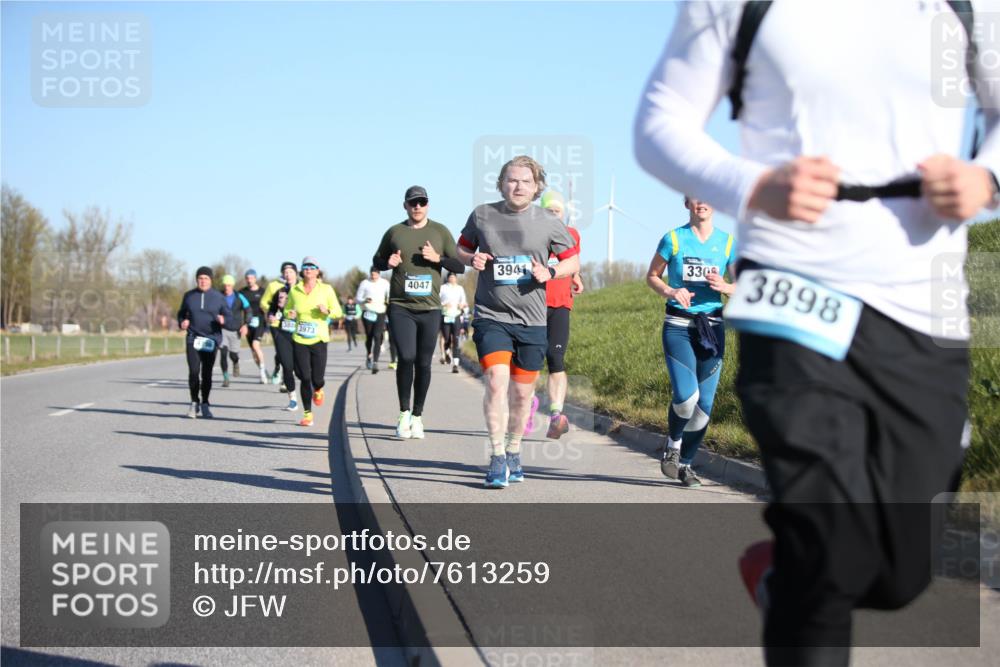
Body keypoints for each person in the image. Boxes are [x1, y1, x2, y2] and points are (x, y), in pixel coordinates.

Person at [634, 3, 995, 664]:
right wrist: (756, 185)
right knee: (827, 542)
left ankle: (782, 576)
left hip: (923, 301)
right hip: (793, 292)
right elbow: (658, 122)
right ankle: (802, 566)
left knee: (898, 573)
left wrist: (985, 175)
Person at [456, 156, 579, 488]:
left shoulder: (550, 223)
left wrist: (550, 271)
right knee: (496, 382)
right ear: (501, 184)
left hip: (533, 320)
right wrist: (472, 258)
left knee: (523, 396)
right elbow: (461, 249)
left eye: (525, 180)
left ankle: (513, 450)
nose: (518, 186)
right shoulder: (483, 215)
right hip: (492, 315)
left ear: (537, 186)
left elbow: (572, 261)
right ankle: (496, 457)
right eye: (511, 180)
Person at [646, 197, 735, 488]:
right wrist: (671, 291)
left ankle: (686, 465)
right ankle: (672, 446)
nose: (702, 202)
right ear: (687, 202)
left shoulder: (727, 242)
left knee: (704, 406)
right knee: (686, 399)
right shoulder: (673, 238)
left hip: (712, 329)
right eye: (695, 196)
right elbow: (652, 276)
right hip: (678, 326)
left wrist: (725, 286)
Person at [372, 185, 466, 439]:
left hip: (430, 308)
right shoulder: (395, 232)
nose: (417, 207)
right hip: (401, 306)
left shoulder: (439, 231)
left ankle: (417, 416)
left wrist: (438, 258)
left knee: (424, 363)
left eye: (422, 202)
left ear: (428, 205)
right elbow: (376, 261)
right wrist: (386, 263)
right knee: (407, 356)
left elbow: (460, 265)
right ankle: (403, 413)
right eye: (413, 203)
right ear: (405, 205)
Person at [537, 190, 584, 439]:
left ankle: (556, 415)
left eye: (557, 211)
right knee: (530, 361)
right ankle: (525, 408)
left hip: (560, 305)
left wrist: (577, 278)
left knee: (556, 358)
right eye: (549, 211)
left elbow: (572, 262)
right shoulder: (533, 236)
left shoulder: (572, 235)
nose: (554, 215)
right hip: (532, 306)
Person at [287, 256, 342, 427]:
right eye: (305, 267)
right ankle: (307, 414)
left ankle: (318, 389)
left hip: (319, 338)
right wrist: (290, 313)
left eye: (312, 267)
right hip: (299, 338)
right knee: (304, 377)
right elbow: (287, 308)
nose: (308, 269)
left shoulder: (326, 289)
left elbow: (338, 312)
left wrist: (327, 311)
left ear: (317, 271)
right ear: (302, 271)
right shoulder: (295, 290)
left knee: (317, 379)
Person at [177, 266, 229, 418]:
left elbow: (229, 317)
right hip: (193, 337)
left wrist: (223, 320)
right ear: (196, 280)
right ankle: (194, 403)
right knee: (194, 372)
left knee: (207, 373)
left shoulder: (219, 297)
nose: (203, 281)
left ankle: (205, 402)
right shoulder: (189, 296)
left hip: (210, 339)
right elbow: (181, 314)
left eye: (206, 278)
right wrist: (183, 322)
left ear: (211, 280)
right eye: (200, 278)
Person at [261, 261, 299, 411]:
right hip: (283, 331)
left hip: (300, 332)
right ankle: (293, 398)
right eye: (285, 272)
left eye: (290, 271)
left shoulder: (304, 290)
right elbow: (271, 309)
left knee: (301, 369)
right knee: (287, 366)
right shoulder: (280, 291)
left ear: (296, 273)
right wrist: (271, 316)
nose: (287, 274)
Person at [355, 267, 390, 373]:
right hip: (368, 312)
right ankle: (369, 354)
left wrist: (387, 302)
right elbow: (357, 299)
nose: (373, 276)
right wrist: (364, 300)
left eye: (375, 274)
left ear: (379, 274)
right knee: (369, 336)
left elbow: (389, 295)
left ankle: (375, 362)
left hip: (380, 312)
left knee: (377, 336)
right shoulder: (364, 283)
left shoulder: (385, 283)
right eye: (372, 274)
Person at [218, 274, 250, 388]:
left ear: (232, 285)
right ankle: (226, 377)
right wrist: (217, 317)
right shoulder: (218, 296)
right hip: (222, 329)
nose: (227, 287)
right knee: (223, 353)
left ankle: (236, 362)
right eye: (225, 285)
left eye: (229, 285)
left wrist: (245, 325)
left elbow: (248, 310)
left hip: (236, 329)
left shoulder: (239, 296)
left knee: (233, 354)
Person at [239, 269, 269, 383]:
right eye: (247, 278)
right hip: (248, 324)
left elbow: (268, 305)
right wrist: (242, 324)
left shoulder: (262, 291)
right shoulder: (242, 292)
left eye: (251, 278)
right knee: (253, 352)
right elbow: (238, 308)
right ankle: (263, 369)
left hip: (260, 322)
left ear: (255, 279)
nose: (249, 280)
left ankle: (262, 374)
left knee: (255, 345)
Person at [438, 271, 468, 374]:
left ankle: (455, 364)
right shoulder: (443, 288)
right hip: (445, 315)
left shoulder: (460, 288)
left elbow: (464, 301)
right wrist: (444, 304)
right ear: (448, 278)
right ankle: (446, 352)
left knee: (456, 339)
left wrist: (462, 305)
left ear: (456, 278)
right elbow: (437, 300)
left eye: (453, 277)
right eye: (450, 277)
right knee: (446, 338)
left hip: (456, 315)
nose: (452, 279)